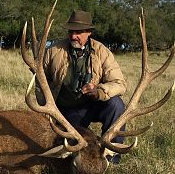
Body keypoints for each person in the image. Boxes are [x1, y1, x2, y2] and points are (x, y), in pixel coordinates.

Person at [36, 10, 126, 163]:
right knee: (70, 147)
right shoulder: (54, 51)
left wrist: (99, 91)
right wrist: (45, 107)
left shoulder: (102, 52)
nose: (73, 36)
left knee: (116, 105)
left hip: (93, 104)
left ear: (89, 32)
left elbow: (119, 84)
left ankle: (112, 158)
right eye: (71, 31)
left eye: (78, 32)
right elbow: (40, 81)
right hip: (68, 110)